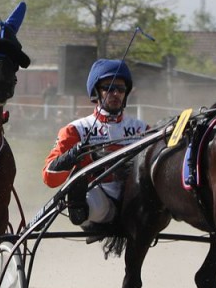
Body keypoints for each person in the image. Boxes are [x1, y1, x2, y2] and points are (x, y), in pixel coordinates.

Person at [42, 59, 148, 228]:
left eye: (121, 89)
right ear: (96, 91)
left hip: (136, 199)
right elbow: (49, 177)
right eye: (109, 88)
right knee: (91, 199)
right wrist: (73, 156)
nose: (116, 94)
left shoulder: (142, 129)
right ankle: (80, 208)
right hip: (98, 201)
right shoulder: (76, 130)